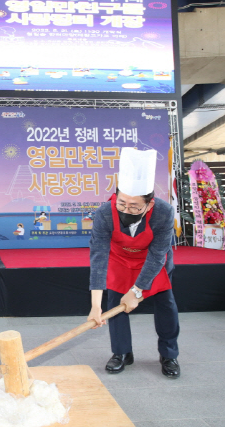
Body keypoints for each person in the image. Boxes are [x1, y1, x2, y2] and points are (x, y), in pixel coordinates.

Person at [87, 147, 180, 379]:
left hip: (151, 261)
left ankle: (169, 354)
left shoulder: (164, 213)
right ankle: (122, 353)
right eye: (122, 203)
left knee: (166, 306)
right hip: (120, 259)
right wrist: (95, 306)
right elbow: (98, 256)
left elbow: (158, 255)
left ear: (149, 204)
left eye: (134, 206)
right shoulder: (104, 213)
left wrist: (137, 291)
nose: (126, 210)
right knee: (115, 306)